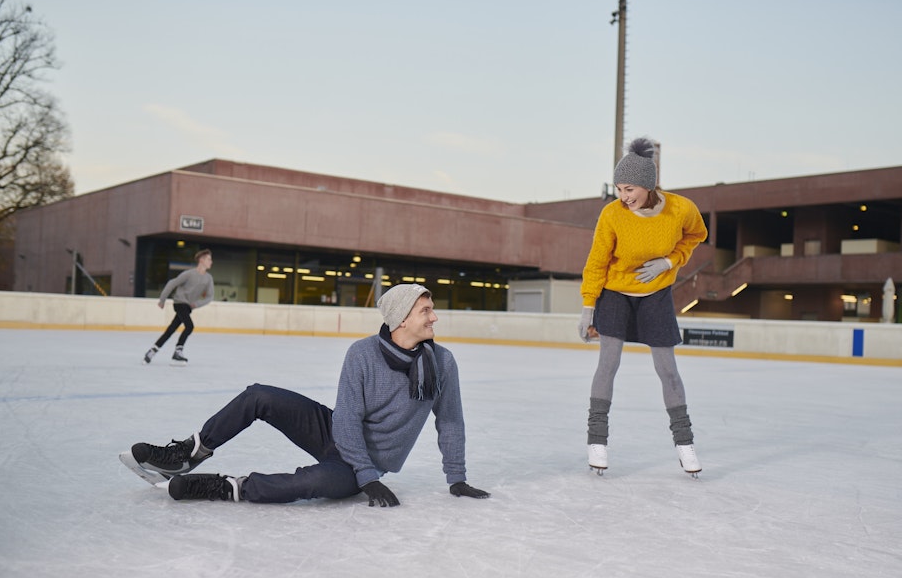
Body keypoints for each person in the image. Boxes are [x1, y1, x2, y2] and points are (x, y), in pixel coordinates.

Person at [123, 283, 490, 507]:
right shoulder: (362, 354)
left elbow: (450, 420)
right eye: (426, 310)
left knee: (311, 483)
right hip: (333, 430)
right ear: (402, 319)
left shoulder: (442, 363)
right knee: (259, 395)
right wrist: (369, 477)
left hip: (357, 467)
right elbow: (347, 418)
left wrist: (455, 478)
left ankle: (226, 487)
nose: (434, 317)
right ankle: (188, 455)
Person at [578, 137, 709, 477]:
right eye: (619, 189)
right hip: (615, 292)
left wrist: (670, 261)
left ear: (648, 185)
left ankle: (685, 444)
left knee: (668, 369)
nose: (623, 196)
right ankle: (597, 441)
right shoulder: (612, 215)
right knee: (608, 364)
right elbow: (597, 261)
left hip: (656, 292)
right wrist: (588, 306)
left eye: (629, 189)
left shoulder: (681, 209)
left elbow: (696, 235)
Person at [143, 249, 214, 365]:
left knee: (171, 330)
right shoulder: (189, 274)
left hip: (188, 307)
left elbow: (210, 297)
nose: (211, 262)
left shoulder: (208, 278)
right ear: (201, 260)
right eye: (209, 259)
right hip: (180, 303)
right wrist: (162, 299)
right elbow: (172, 283)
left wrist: (196, 304)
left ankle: (152, 351)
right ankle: (178, 352)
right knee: (189, 326)